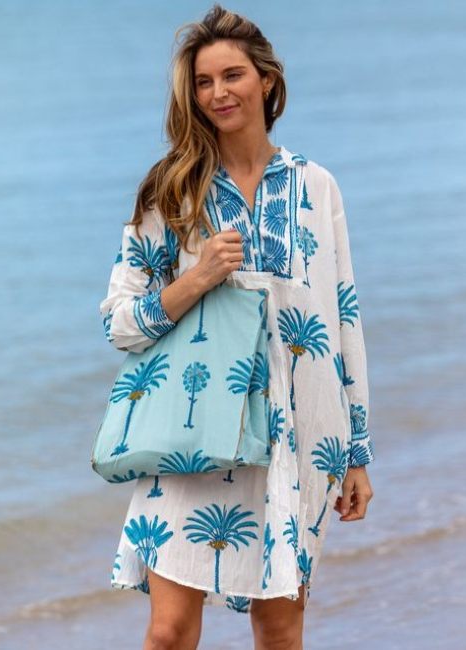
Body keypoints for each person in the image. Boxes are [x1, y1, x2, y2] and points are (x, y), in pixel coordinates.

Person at [99, 4, 375, 649]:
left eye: (233, 75)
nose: (218, 93)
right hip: (197, 434)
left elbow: (344, 319)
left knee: (279, 628)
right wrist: (196, 278)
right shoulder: (172, 191)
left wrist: (358, 453)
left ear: (267, 81)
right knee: (169, 632)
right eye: (203, 82)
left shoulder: (316, 186)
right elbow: (119, 324)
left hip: (301, 437)